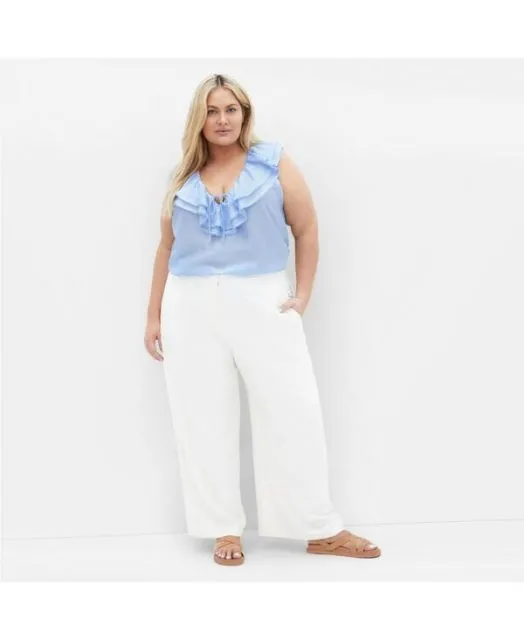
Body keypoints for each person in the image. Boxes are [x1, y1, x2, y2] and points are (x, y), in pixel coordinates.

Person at [144, 73, 381, 566]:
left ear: (245, 114)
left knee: (294, 409)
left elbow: (306, 227)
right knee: (200, 417)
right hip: (188, 303)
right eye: (212, 111)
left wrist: (303, 294)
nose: (222, 119)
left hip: (262, 297)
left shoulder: (273, 162)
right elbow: (166, 248)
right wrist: (153, 315)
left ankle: (318, 527)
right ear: (199, 119)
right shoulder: (183, 176)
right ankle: (222, 528)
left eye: (231, 109)